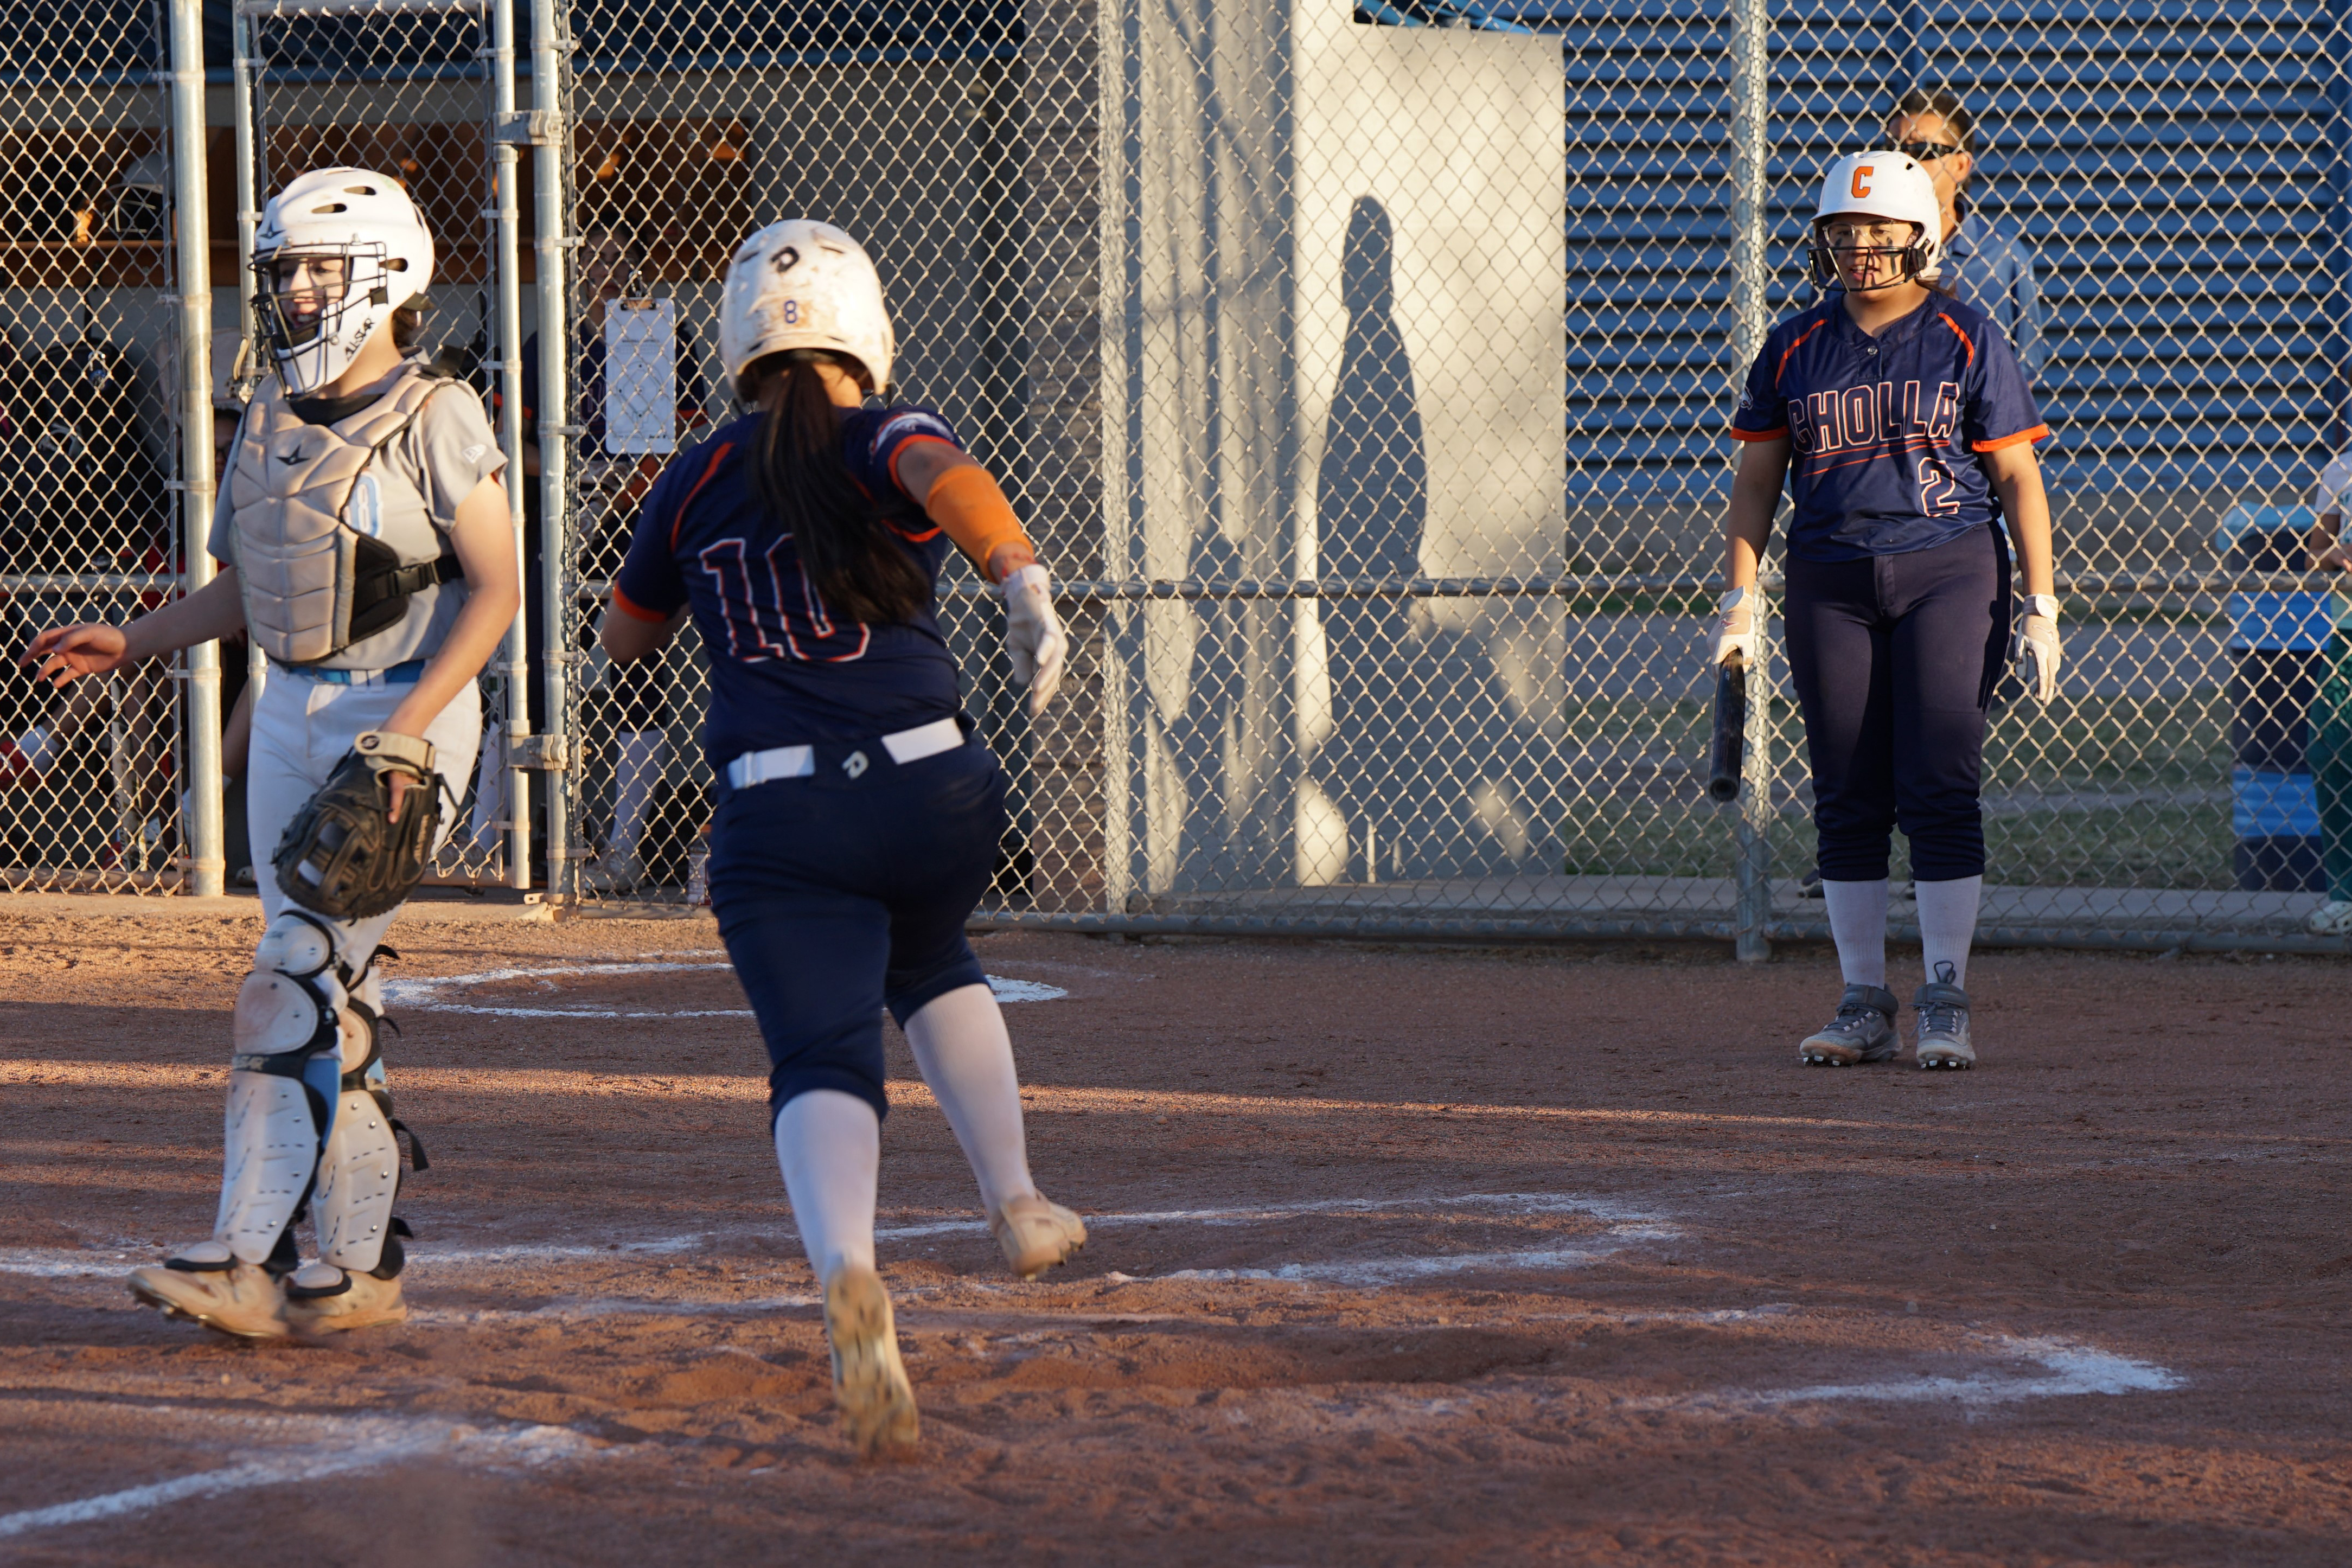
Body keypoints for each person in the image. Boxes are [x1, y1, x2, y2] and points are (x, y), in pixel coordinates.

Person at [601, 219, 1079, 1455]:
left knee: (823, 1049)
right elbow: (943, 479)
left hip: (781, 810)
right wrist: (1015, 573)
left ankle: (849, 1274)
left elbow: (622, 640)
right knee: (931, 957)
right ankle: (1017, 1201)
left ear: (736, 348)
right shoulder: (881, 432)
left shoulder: (698, 473)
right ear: (865, 331)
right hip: (938, 790)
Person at [22, 167, 520, 1336]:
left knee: (283, 981)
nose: (296, 290)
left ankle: (246, 1253)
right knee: (326, 987)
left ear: (388, 277)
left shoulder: (436, 411)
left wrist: (408, 733)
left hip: (406, 707)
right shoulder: (270, 414)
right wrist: (137, 638)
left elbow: (496, 591)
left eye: (321, 268)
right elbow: (256, 582)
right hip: (294, 703)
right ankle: (357, 1268)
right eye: (285, 268)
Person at [1711, 150, 2059, 1070]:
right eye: (1844, 231)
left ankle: (1945, 994)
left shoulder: (1966, 333)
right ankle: (1864, 997)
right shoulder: (1793, 342)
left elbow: (2017, 474)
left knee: (1938, 785)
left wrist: (2041, 599)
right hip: (1829, 575)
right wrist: (1739, 599)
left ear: (1922, 234)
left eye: (1879, 230)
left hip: (1948, 568)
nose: (1861, 247)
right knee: (1847, 792)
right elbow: (1757, 482)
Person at [1886, 87, 2044, 380]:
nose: (1905, 162)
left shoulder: (2002, 257)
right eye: (1894, 150)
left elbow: (2023, 371)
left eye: (1923, 150)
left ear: (1961, 165)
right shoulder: (1858, 251)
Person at [2302, 457, 2352, 936]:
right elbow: (2312, 555)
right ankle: (2345, 894)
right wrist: (2337, 555)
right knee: (2330, 752)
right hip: (2348, 635)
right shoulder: (2341, 471)